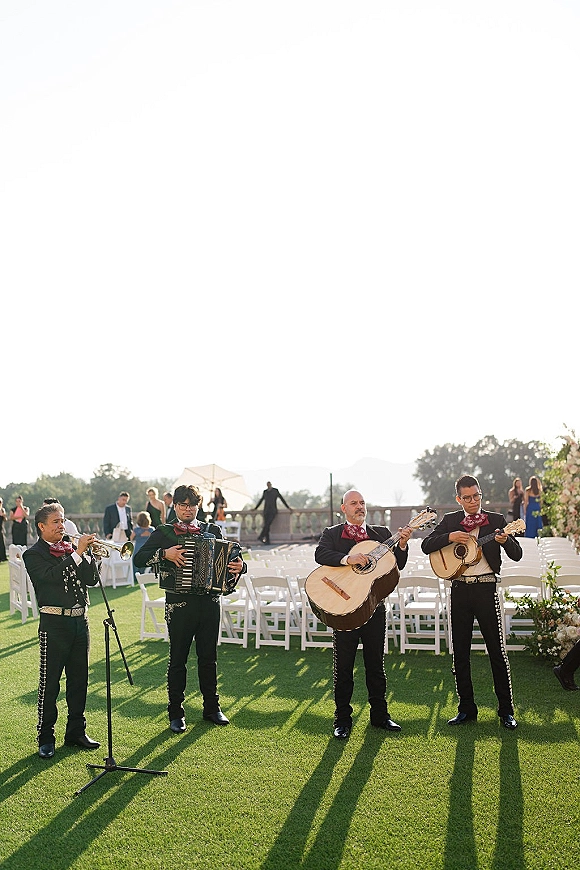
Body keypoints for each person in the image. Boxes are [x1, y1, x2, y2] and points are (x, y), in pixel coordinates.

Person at [133, 484, 246, 733]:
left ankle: (212, 708)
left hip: (209, 603)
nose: (187, 509)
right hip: (179, 604)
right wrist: (165, 553)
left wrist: (241, 566)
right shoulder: (164, 532)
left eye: (191, 505)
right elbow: (139, 559)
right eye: (182, 504)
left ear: (198, 506)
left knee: (209, 658)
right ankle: (176, 713)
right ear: (175, 505)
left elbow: (232, 555)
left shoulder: (211, 530)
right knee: (178, 660)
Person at [421, 474, 522, 729]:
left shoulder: (497, 521)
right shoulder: (452, 521)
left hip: (486, 590)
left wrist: (506, 539)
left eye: (476, 495)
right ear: (459, 499)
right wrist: (450, 537)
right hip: (460, 591)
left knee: (497, 652)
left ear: (480, 494)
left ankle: (506, 710)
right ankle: (466, 708)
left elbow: (517, 554)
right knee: (461, 652)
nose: (473, 501)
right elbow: (426, 545)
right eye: (467, 497)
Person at [314, 489, 412, 739]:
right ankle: (342, 720)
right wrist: (348, 558)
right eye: (353, 503)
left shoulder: (380, 534)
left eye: (362, 503)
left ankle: (380, 716)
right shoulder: (332, 534)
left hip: (374, 609)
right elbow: (320, 555)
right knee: (343, 668)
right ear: (343, 508)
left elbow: (397, 564)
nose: (359, 507)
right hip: (344, 610)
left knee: (376, 666)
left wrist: (401, 544)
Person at [22, 502, 101, 759]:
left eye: (63, 520)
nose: (61, 526)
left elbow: (91, 580)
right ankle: (46, 737)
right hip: (53, 624)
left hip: (81, 621)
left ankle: (76, 732)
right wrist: (78, 554)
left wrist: (90, 555)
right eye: (56, 522)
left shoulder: (70, 549)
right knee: (50, 684)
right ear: (41, 526)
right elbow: (51, 578)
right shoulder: (33, 554)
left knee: (79, 680)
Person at [131, 511, 154, 579]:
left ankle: (135, 577)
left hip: (138, 548)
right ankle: (145, 575)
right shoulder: (151, 529)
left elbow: (131, 538)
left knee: (135, 561)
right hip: (148, 549)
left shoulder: (136, 530)